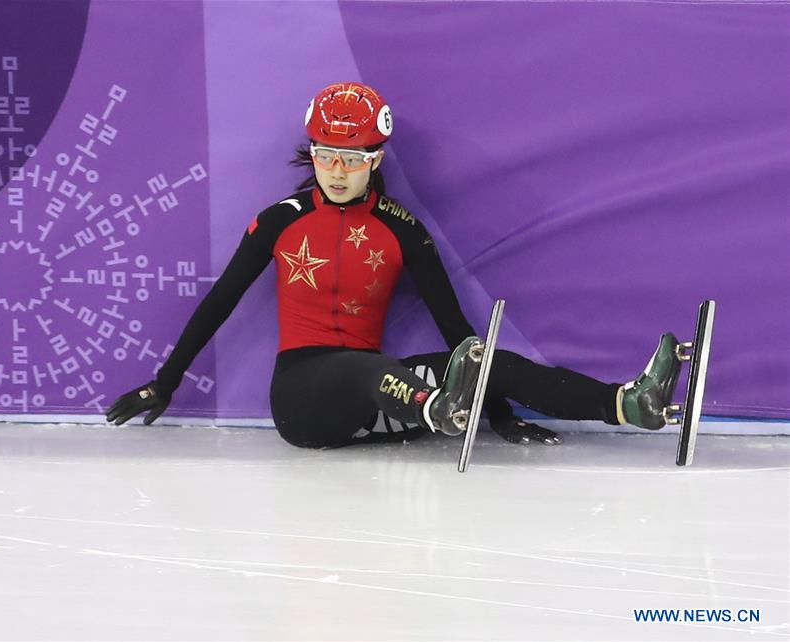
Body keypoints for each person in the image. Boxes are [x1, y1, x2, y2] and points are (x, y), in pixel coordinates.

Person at [105, 82, 682, 449]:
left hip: (380, 402)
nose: (335, 171)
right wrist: (166, 382)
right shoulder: (280, 221)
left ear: (374, 159)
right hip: (305, 402)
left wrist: (498, 411)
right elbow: (220, 301)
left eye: (351, 160)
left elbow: (460, 340)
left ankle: (627, 404)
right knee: (362, 367)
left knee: (488, 360)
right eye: (325, 156)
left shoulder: (403, 230)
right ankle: (439, 409)